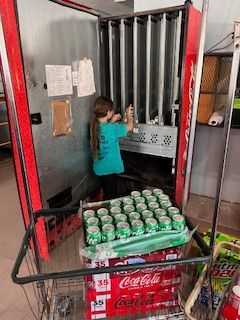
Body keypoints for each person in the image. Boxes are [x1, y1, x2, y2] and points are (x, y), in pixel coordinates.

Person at [90, 96, 133, 200]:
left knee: (107, 192)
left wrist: (111, 121)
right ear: (108, 112)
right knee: (111, 198)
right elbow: (130, 127)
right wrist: (128, 115)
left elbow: (105, 131)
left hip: (100, 168)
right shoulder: (113, 129)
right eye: (112, 110)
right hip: (110, 169)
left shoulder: (94, 126)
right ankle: (106, 214)